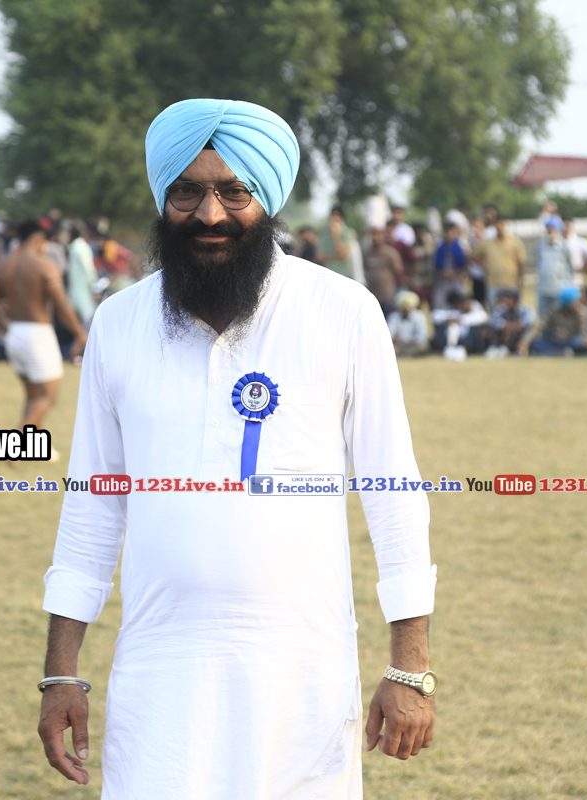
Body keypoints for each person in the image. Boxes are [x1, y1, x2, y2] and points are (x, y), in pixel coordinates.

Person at [38, 99, 437, 799]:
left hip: (303, 675)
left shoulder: (342, 311)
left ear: (269, 199)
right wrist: (60, 671)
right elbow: (93, 509)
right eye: (187, 192)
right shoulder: (119, 323)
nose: (209, 214)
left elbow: (393, 494)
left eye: (234, 191)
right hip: (160, 672)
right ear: (163, 198)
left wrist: (410, 667)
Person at [0, 219, 88, 432]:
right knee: (47, 396)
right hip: (38, 334)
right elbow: (62, 305)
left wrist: (5, 328)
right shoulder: (44, 264)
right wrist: (80, 333)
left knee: (33, 398)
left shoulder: (2, 265)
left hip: (14, 333)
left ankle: (35, 445)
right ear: (40, 239)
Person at [519, 285, 587, 356]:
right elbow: (539, 327)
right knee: (535, 343)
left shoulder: (581, 312)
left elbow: (583, 332)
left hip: (570, 342)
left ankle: (558, 352)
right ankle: (560, 352)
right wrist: (525, 341)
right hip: (554, 342)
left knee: (579, 342)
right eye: (575, 301)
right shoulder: (554, 311)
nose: (578, 303)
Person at [471, 216, 526, 310]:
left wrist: (520, 281)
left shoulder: (515, 242)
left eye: (502, 224)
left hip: (510, 282)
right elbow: (474, 255)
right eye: (497, 224)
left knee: (511, 310)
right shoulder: (489, 243)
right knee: (495, 311)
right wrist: (484, 264)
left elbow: (521, 262)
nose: (499, 227)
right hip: (493, 282)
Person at [430, 290, 489, 357]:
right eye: (464, 303)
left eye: (468, 303)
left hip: (470, 342)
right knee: (452, 326)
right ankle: (451, 348)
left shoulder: (476, 314)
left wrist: (461, 320)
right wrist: (447, 319)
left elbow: (484, 317)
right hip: (456, 341)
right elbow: (434, 315)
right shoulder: (456, 313)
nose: (465, 305)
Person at [363, 226, 404, 317]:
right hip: (372, 296)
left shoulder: (391, 253)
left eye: (378, 234)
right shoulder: (367, 253)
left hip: (387, 296)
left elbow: (398, 272)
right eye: (373, 235)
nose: (375, 238)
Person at [535, 218, 571, 320]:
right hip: (543, 288)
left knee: (558, 318)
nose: (550, 232)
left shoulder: (564, 247)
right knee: (544, 317)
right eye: (548, 230)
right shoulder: (540, 246)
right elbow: (538, 264)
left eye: (553, 229)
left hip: (559, 289)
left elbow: (569, 267)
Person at [66, 222, 100, 327]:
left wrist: (94, 286)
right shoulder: (76, 247)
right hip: (77, 286)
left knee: (86, 314)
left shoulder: (80, 247)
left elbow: (88, 268)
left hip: (82, 286)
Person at [486, 288, 535, 357]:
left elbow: (529, 321)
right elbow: (492, 321)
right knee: (492, 329)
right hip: (504, 334)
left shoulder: (524, 309)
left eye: (509, 299)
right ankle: (498, 347)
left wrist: (514, 326)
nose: (507, 301)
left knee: (527, 330)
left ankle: (521, 349)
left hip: (519, 334)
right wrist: (505, 325)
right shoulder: (502, 308)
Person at [317, 206, 362, 281]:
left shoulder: (349, 233)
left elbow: (343, 256)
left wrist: (336, 235)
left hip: (345, 276)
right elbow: (320, 257)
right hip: (329, 275)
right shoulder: (324, 235)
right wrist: (335, 257)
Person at [432, 223, 467, 310]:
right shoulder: (439, 246)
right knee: (440, 303)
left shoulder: (462, 246)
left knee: (459, 300)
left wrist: (455, 273)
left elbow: (464, 264)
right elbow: (436, 264)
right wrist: (443, 274)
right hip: (443, 279)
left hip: (456, 278)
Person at [387, 289, 430, 357]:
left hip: (413, 345)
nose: (405, 309)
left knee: (423, 346)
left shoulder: (418, 316)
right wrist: (397, 340)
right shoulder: (394, 316)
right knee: (390, 348)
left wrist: (411, 341)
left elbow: (422, 335)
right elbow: (389, 334)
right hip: (399, 345)